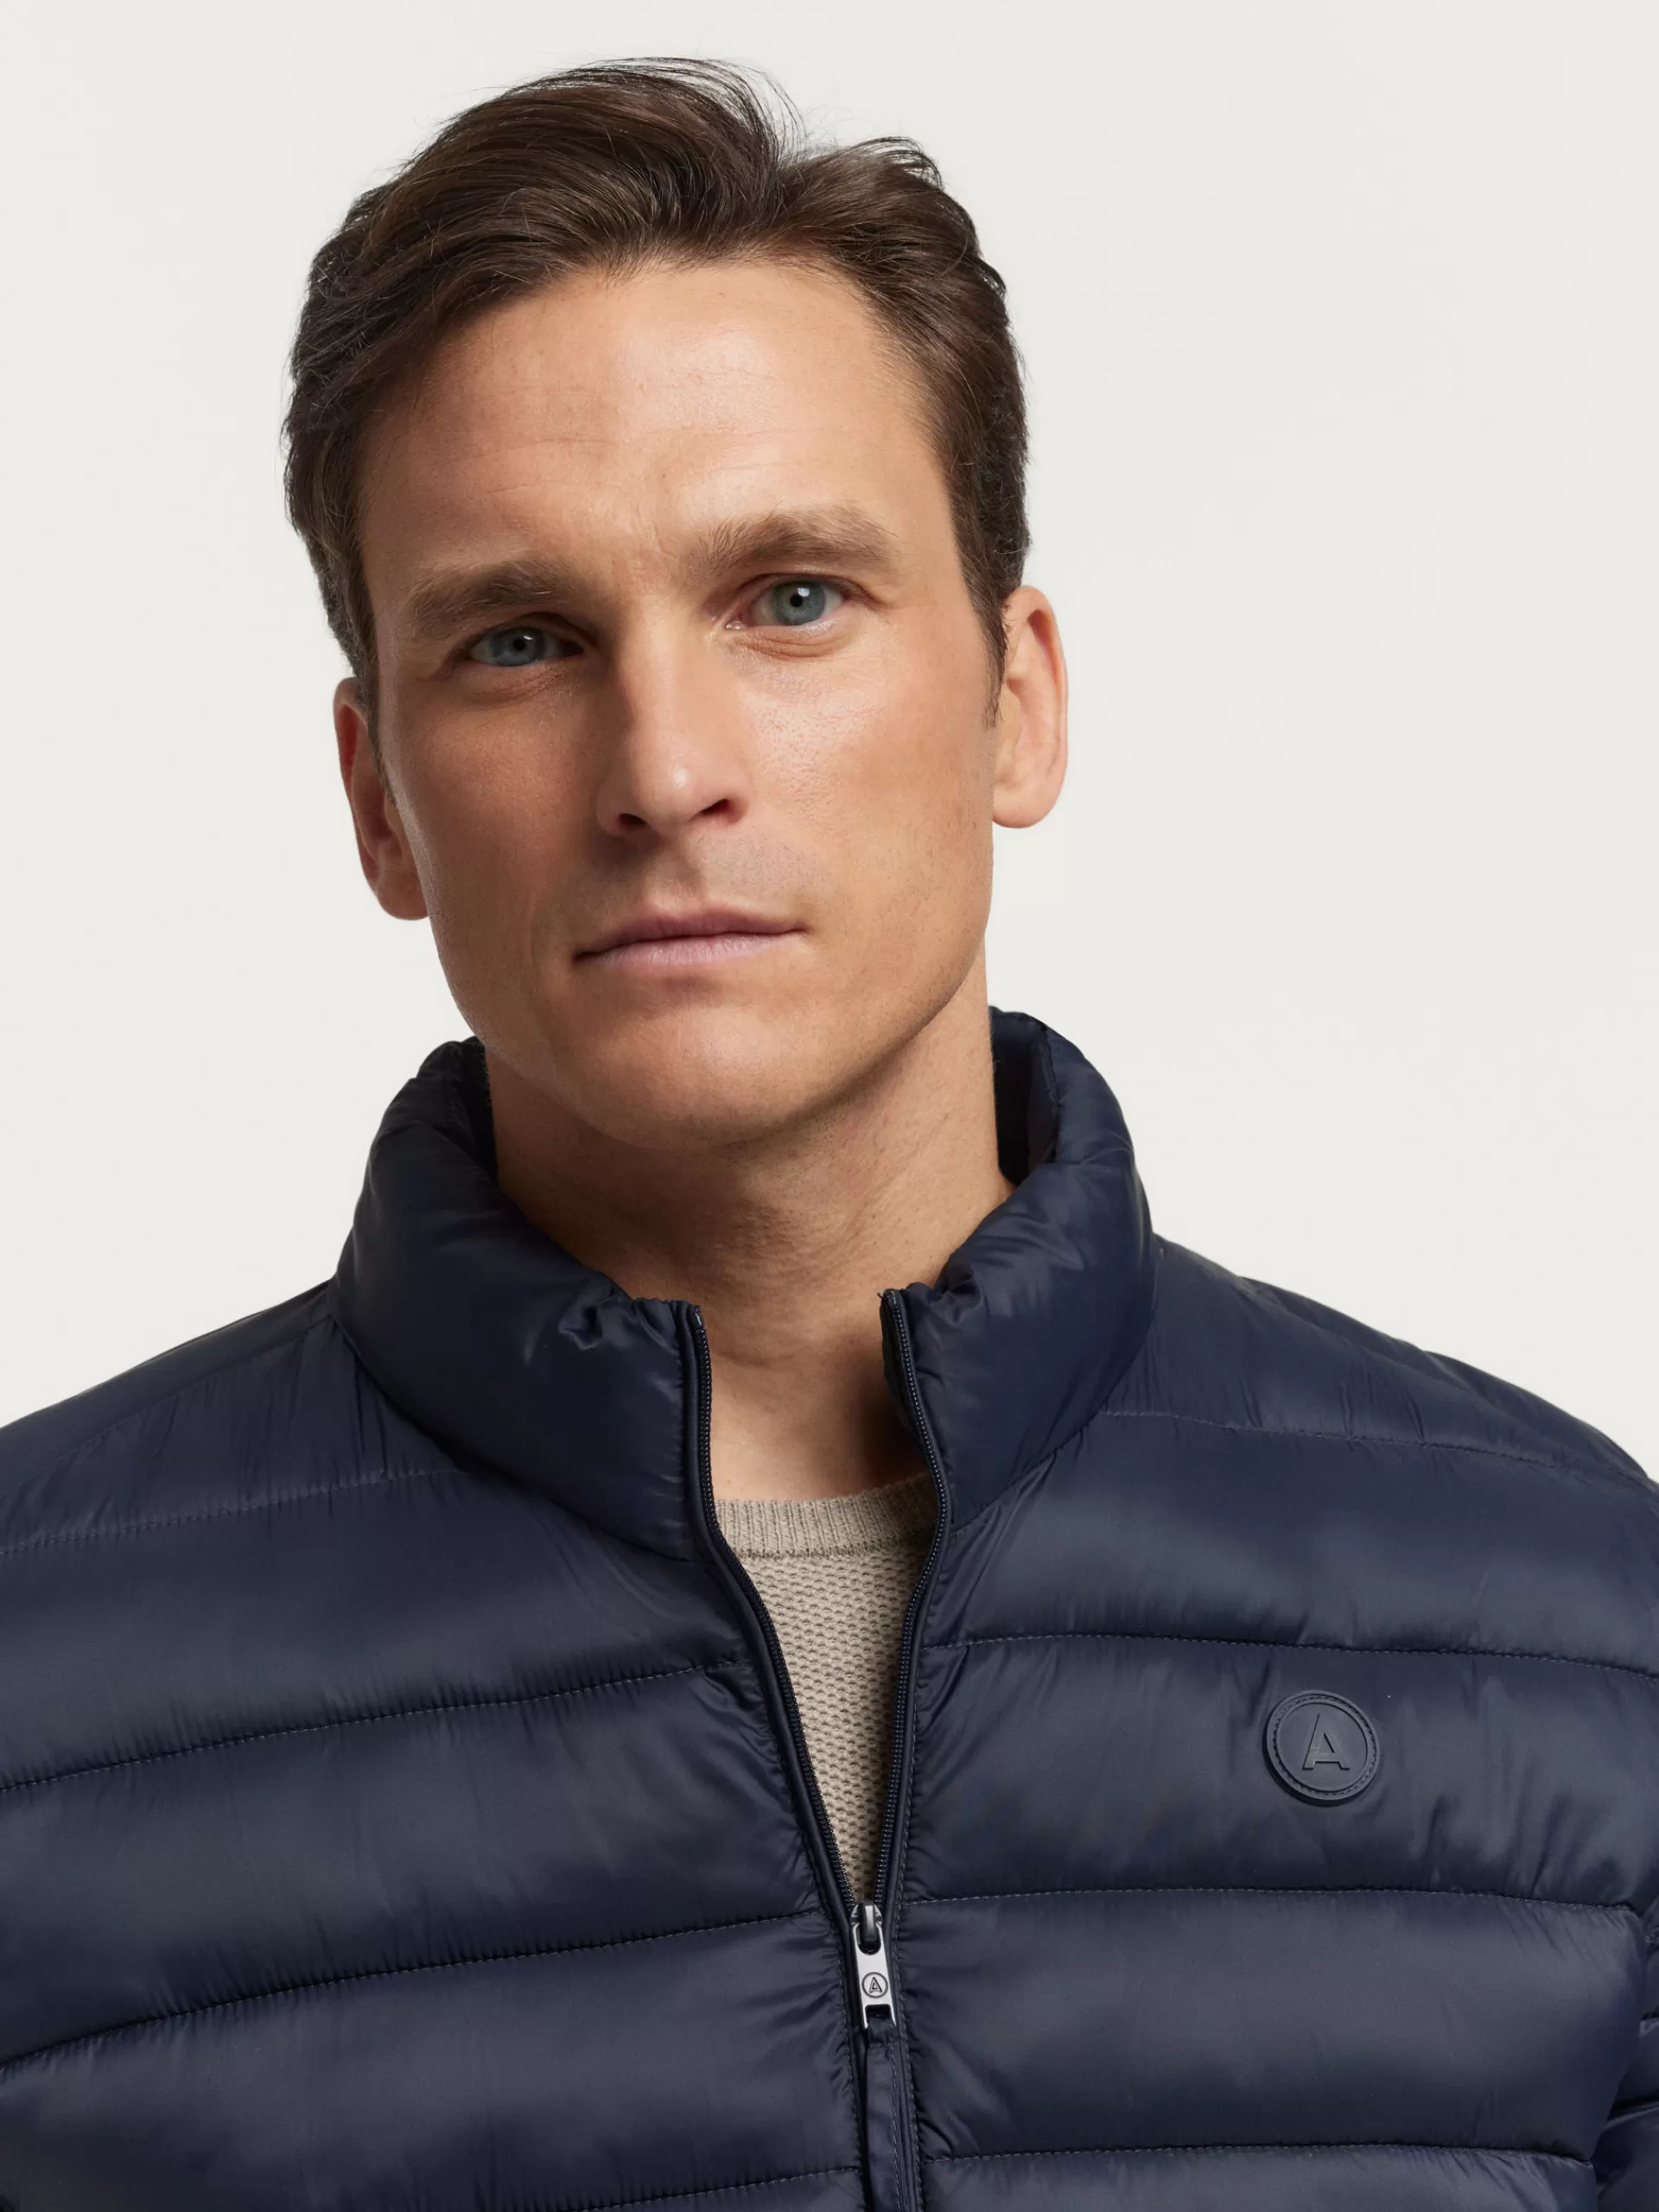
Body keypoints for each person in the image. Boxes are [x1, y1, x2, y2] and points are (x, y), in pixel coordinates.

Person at [0, 56, 1653, 2212]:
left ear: (1015, 696)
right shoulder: (35, 1669)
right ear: (378, 795)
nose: (663, 764)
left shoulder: (1570, 1614)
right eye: (520, 639)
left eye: (790, 596)